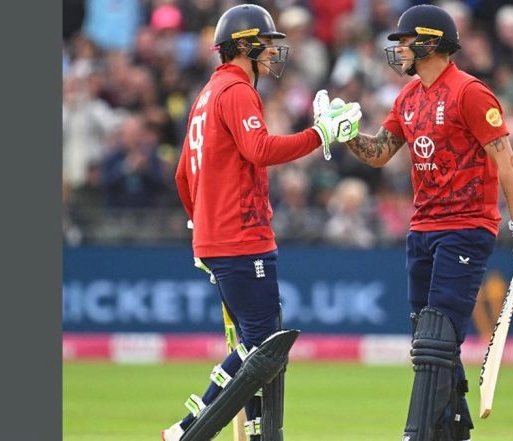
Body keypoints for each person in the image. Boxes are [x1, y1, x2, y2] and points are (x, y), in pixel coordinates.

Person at [336, 4, 513, 441]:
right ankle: (453, 432)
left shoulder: (470, 92)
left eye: (405, 42)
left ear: (430, 42)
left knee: (437, 338)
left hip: (467, 225)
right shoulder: (408, 97)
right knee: (429, 344)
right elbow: (380, 154)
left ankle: (416, 434)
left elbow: (505, 159)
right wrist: (343, 134)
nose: (399, 51)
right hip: (423, 228)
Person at [161, 4, 361, 441]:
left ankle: (256, 433)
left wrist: (201, 225)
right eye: (267, 46)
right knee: (263, 345)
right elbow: (260, 149)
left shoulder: (207, 94)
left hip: (218, 235)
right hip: (241, 235)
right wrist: (320, 135)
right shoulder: (235, 90)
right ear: (246, 47)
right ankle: (189, 426)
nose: (273, 54)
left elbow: (182, 174)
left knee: (255, 345)